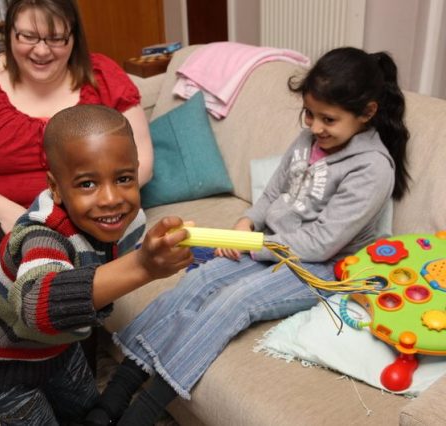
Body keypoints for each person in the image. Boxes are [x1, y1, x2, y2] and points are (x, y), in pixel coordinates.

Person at [85, 46, 411, 426]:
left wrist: (253, 247)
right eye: (309, 114)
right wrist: (246, 223)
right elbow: (273, 193)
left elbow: (322, 243)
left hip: (321, 268)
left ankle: (141, 413)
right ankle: (116, 396)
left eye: (329, 119)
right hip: (270, 245)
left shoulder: (372, 168)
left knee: (233, 303)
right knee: (200, 282)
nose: (315, 127)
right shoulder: (310, 141)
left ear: (367, 113)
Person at [0, 0, 154, 415]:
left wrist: (100, 200)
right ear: (9, 34)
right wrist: (6, 212)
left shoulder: (104, 75)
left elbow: (139, 156)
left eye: (55, 38)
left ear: (74, 37)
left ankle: (67, 371)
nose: (41, 50)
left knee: (84, 279)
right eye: (28, 36)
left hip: (82, 210)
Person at [0, 104, 192, 425]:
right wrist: (143, 266)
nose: (111, 198)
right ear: (55, 188)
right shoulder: (42, 235)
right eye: (87, 184)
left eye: (123, 178)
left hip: (59, 345)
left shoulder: (132, 223)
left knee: (85, 408)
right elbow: (37, 306)